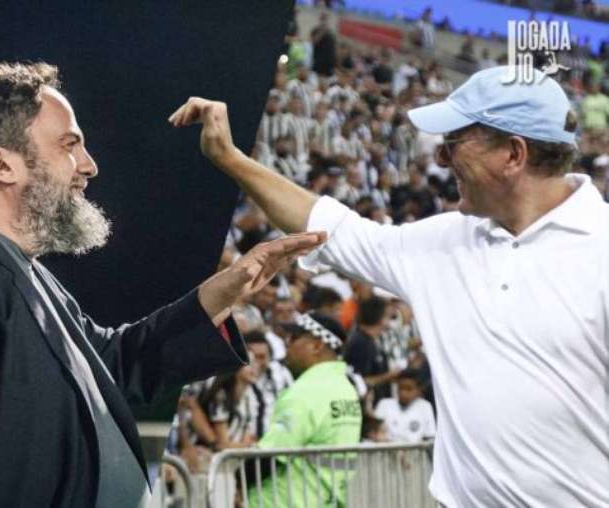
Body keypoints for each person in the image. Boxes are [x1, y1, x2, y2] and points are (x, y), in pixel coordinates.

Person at [0, 62, 327, 508]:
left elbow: (110, 365)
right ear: (1, 164)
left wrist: (223, 292)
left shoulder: (21, 270)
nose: (89, 165)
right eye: (69, 145)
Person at [169, 65, 609, 506]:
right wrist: (229, 158)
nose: (440, 160)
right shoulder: (443, 242)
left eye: (454, 143)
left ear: (513, 154)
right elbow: (331, 228)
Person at [246, 313, 362, 508]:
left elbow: (271, 454)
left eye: (293, 338)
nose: (287, 344)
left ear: (316, 346)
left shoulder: (307, 391)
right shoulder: (346, 389)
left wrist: (238, 480)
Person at [374, 370, 436, 443]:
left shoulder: (425, 406)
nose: (403, 393)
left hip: (415, 449)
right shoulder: (384, 404)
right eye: (401, 388)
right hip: (388, 448)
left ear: (419, 390)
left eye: (409, 389)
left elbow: (429, 436)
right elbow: (375, 433)